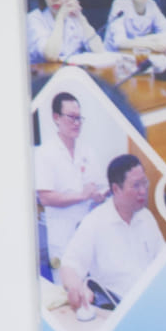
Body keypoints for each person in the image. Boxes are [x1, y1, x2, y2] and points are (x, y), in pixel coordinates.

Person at [59, 154, 164, 314]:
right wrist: (76, 287)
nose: (143, 191)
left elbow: (162, 260)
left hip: (152, 304)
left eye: (144, 183)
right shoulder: (95, 222)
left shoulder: (146, 217)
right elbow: (69, 265)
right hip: (116, 309)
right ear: (116, 189)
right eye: (136, 185)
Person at [33, 91, 104, 268]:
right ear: (56, 117)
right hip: (62, 236)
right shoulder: (45, 153)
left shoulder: (87, 151)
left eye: (79, 118)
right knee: (66, 281)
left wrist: (99, 195)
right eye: (72, 117)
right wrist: (81, 196)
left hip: (88, 231)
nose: (77, 123)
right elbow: (45, 198)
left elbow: (99, 185)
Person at [27, 0, 103, 63]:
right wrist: (60, 18)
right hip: (46, 71)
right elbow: (51, 55)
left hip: (74, 69)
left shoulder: (74, 17)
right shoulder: (34, 18)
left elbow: (99, 50)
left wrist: (81, 18)